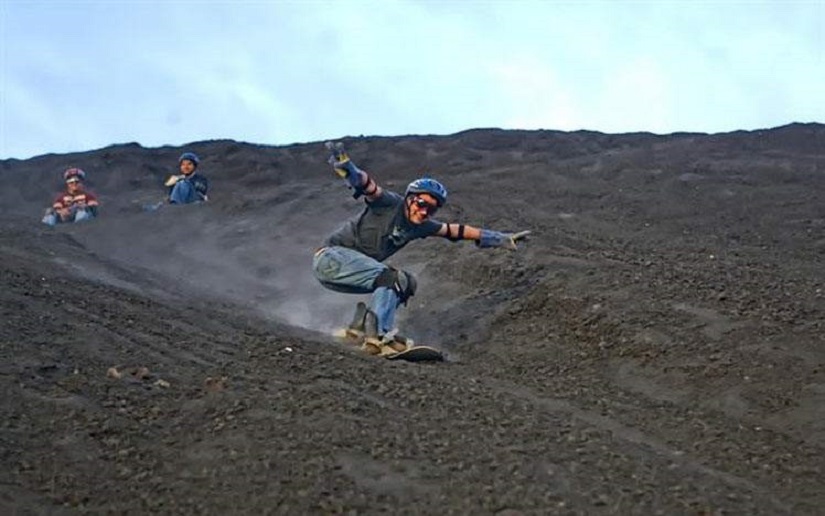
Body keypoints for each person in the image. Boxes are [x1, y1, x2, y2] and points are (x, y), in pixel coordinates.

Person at [312, 142, 530, 355]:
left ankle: (359, 330)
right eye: (421, 204)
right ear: (409, 199)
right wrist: (349, 169)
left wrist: (500, 238)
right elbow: (367, 185)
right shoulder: (389, 203)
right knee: (392, 277)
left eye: (432, 209)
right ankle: (379, 335)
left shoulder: (421, 226)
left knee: (406, 282)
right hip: (331, 259)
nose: (425, 211)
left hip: (349, 272)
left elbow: (456, 231)